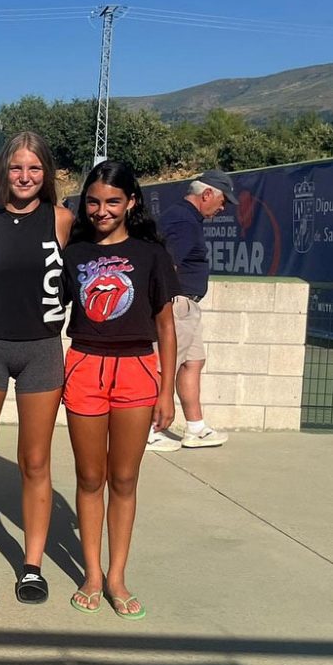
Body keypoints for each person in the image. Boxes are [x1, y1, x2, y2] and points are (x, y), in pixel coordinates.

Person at [0, 131, 74, 605]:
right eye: (17, 168)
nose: (25, 177)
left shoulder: (63, 220)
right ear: (3, 172)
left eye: (35, 168)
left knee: (36, 461)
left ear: (46, 174)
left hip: (42, 350)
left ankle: (31, 566)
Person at [63, 160, 178, 620]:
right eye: (93, 201)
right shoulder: (74, 254)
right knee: (90, 478)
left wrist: (166, 391)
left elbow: (166, 327)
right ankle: (92, 574)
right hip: (85, 367)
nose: (101, 210)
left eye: (112, 201)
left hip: (136, 372)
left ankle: (117, 577)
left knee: (125, 479)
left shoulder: (151, 255)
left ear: (131, 202)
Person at [146, 169, 237, 451]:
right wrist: (165, 308)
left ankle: (195, 428)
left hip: (188, 305)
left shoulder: (185, 218)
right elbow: (167, 266)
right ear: (206, 194)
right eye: (222, 202)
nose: (222, 208)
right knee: (164, 367)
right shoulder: (184, 221)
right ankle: (147, 430)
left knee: (192, 363)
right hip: (177, 306)